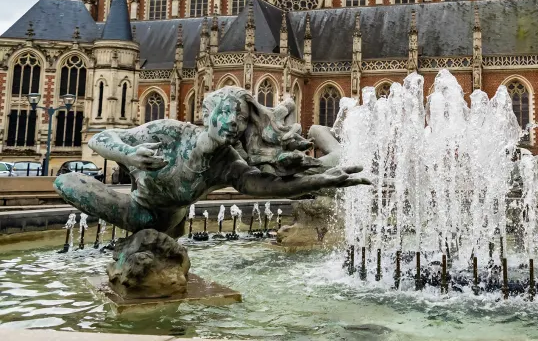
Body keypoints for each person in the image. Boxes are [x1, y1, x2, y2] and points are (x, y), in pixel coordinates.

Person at [53, 87, 369, 237]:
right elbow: (101, 137)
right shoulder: (168, 132)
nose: (232, 121)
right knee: (65, 181)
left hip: (169, 220)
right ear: (208, 114)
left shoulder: (227, 164)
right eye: (226, 112)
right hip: (139, 211)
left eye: (241, 118)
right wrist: (127, 155)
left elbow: (270, 186)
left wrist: (320, 180)